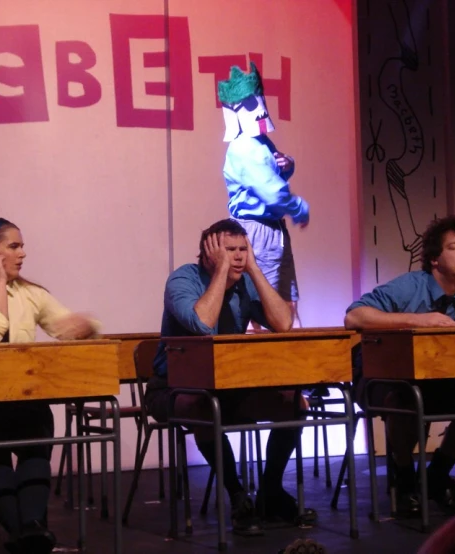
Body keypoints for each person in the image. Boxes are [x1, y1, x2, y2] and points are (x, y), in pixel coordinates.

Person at [144, 218, 317, 536]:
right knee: (203, 407)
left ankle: (270, 492)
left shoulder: (245, 280)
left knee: (293, 402)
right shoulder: (183, 279)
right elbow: (202, 325)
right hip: (172, 388)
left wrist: (253, 269)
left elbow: (283, 324)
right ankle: (237, 496)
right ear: (208, 252)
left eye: (242, 249)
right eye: (229, 250)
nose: (237, 256)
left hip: (228, 386)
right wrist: (221, 272)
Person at [0, 217, 100, 554]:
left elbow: (65, 327)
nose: (23, 253)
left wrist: (85, 326)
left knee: (36, 449)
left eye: (22, 246)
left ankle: (29, 533)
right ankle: (28, 533)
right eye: (14, 246)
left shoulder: (29, 293)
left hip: (25, 397)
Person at [344, 215, 455, 515]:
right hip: (379, 378)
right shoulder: (410, 286)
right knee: (404, 400)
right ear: (434, 259)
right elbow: (354, 316)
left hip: (435, 380)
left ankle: (438, 472)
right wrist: (418, 320)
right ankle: (403, 478)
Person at [217, 62, 309, 328]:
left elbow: (269, 181)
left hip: (272, 229)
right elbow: (270, 192)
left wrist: (286, 167)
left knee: (285, 299)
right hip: (256, 230)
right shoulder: (244, 147)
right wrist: (299, 207)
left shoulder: (260, 142)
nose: (256, 110)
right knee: (262, 301)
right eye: (247, 104)